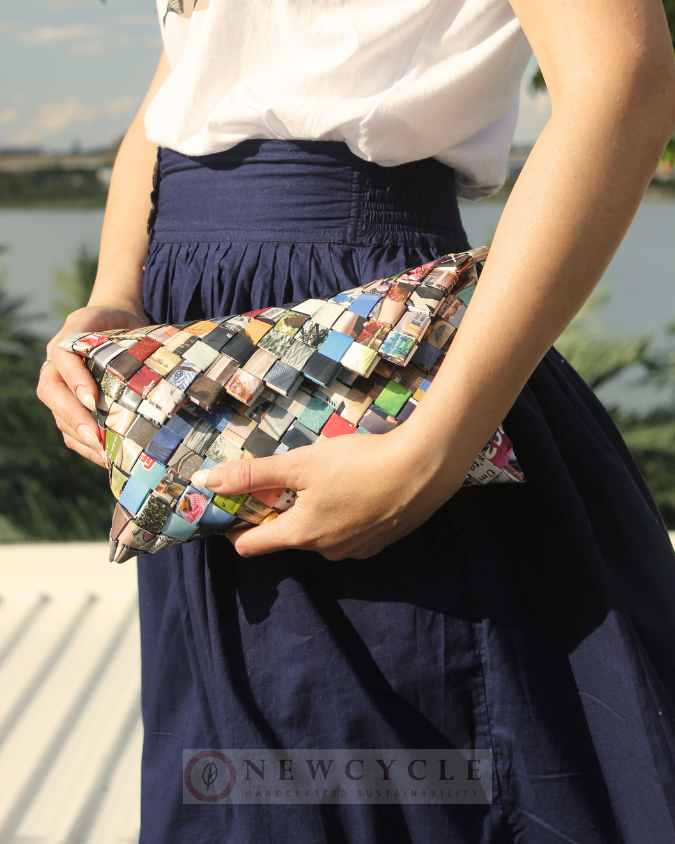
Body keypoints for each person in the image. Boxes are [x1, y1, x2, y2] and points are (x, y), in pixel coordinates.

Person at [37, 1, 675, 841]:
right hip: (192, 365)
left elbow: (622, 77)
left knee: (386, 784)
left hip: (361, 355)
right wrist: (114, 301)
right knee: (236, 787)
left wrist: (430, 451)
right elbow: (185, 79)